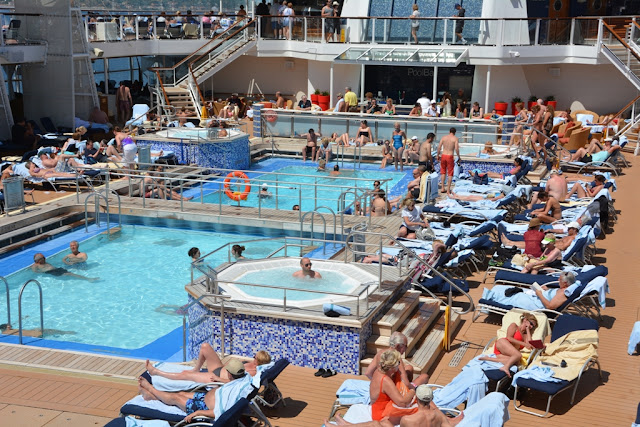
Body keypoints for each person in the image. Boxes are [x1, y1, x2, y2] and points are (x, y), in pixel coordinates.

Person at [329, 384, 463, 427]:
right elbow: (449, 424)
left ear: (417, 399)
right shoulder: (437, 416)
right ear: (430, 399)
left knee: (376, 424)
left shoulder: (408, 420)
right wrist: (460, 417)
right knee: (383, 422)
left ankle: (347, 426)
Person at [482, 271, 577, 312]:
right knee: (512, 289)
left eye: (559, 280)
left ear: (565, 283)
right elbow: (552, 296)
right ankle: (492, 293)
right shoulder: (562, 288)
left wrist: (540, 294)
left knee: (515, 297)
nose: (557, 281)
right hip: (537, 297)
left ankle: (489, 300)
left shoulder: (563, 294)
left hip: (537, 304)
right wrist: (547, 290)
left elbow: (550, 306)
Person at [479, 313, 539, 378]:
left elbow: (530, 344)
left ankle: (489, 359)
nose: (531, 327)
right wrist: (523, 344)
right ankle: (505, 367)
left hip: (508, 354)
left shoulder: (525, 335)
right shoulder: (514, 326)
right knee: (518, 355)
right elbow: (509, 338)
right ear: (525, 320)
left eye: (533, 326)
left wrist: (528, 330)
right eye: (531, 324)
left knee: (516, 362)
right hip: (502, 344)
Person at [31, 253, 98, 282]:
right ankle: (88, 279)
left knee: (71, 273)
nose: (45, 258)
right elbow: (35, 272)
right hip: (52, 272)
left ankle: (87, 278)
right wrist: (43, 273)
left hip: (57, 269)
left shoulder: (44, 262)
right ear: (38, 260)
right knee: (70, 274)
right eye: (43, 258)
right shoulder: (35, 265)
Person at [436, 128, 461, 195]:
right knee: (450, 173)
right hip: (450, 156)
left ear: (449, 131)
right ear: (455, 132)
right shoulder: (455, 139)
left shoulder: (444, 137)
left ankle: (442, 188)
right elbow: (456, 148)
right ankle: (448, 190)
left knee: (443, 171)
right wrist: (459, 156)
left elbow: (439, 147)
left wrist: (438, 155)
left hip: (443, 155)